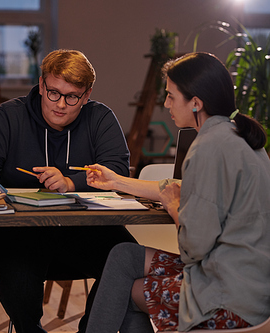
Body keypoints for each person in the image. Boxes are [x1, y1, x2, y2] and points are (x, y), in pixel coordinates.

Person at [84, 52, 270, 332]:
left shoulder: (206, 148)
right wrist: (117, 182)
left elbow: (194, 247)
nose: (166, 103)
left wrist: (174, 208)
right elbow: (179, 189)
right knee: (125, 256)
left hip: (228, 300)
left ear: (196, 102)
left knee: (127, 290)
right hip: (251, 288)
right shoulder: (241, 138)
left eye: (171, 96)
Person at [0, 49, 137, 332]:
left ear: (87, 94)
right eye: (54, 92)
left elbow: (117, 168)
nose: (61, 104)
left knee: (129, 258)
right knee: (18, 280)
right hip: (15, 231)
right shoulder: (8, 116)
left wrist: (71, 183)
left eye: (72, 97)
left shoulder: (100, 118)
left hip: (84, 230)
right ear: (41, 85)